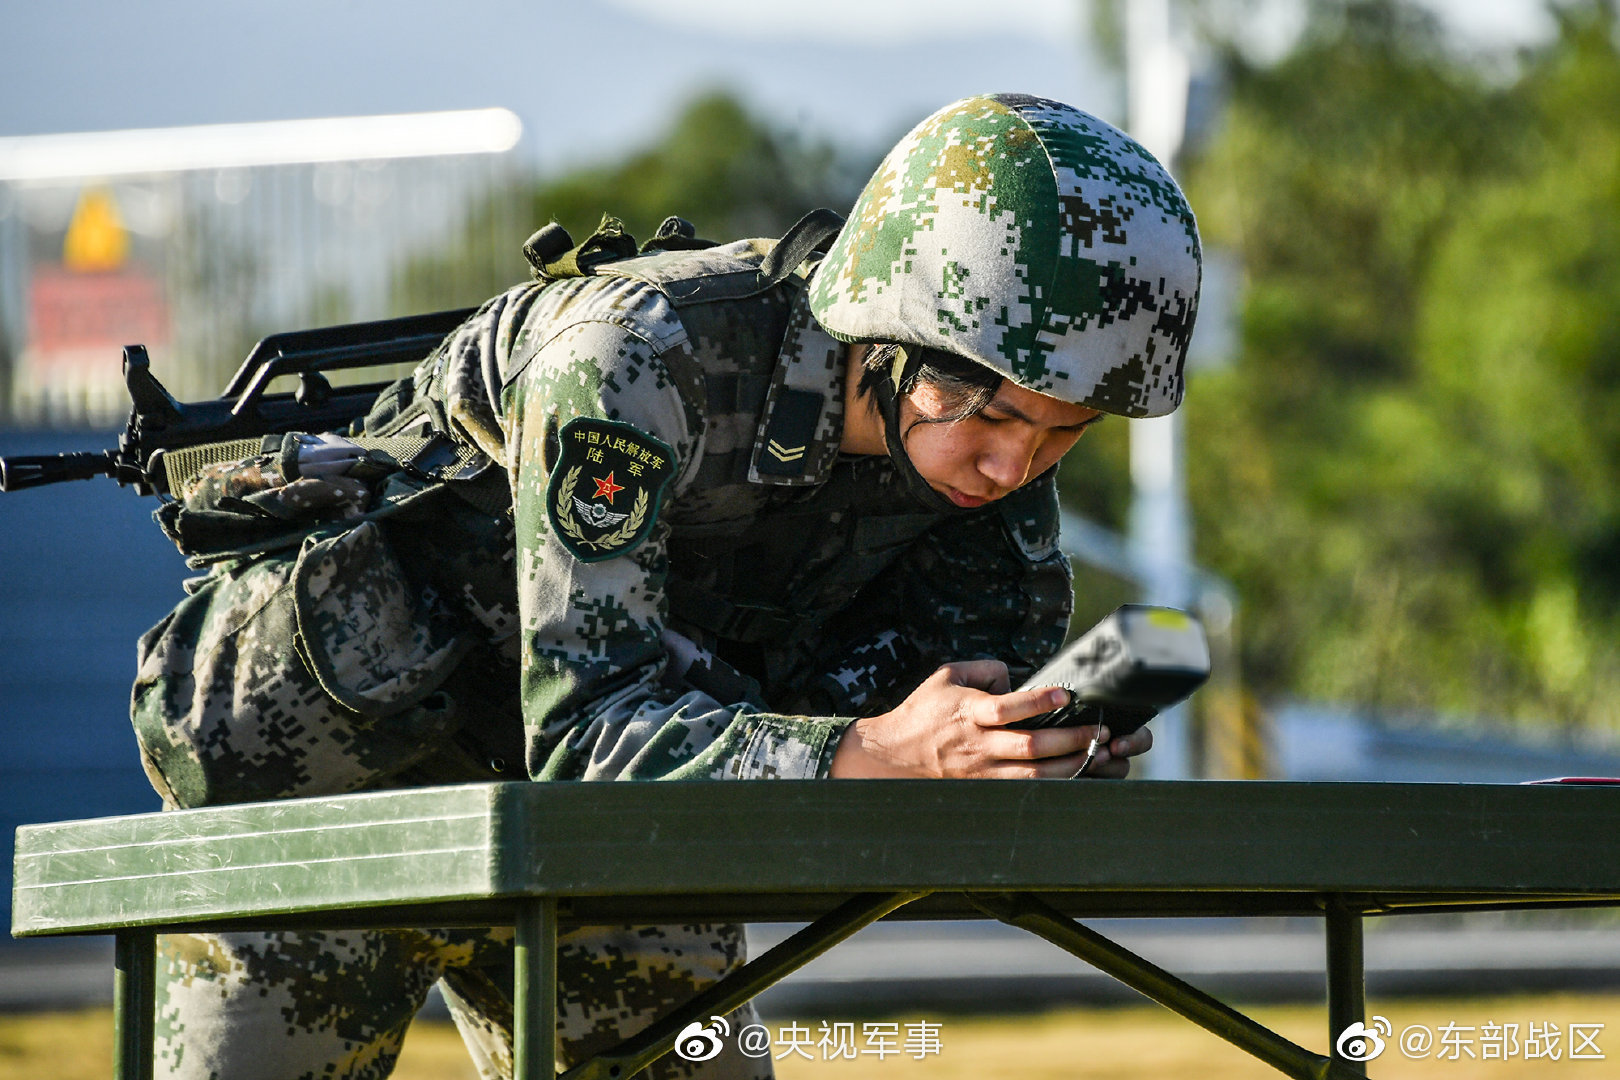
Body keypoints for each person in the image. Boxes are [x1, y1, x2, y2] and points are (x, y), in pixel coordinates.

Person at [133, 92, 1200, 1079]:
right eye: (998, 418)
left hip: (608, 830)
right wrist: (874, 752)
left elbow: (948, 690)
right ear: (894, 339)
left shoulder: (986, 456)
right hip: (333, 797)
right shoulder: (635, 361)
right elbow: (589, 730)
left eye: (1066, 433)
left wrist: (1025, 744)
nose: (1017, 468)